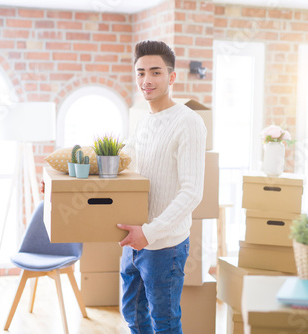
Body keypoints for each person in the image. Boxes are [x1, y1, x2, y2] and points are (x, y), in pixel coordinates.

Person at [117, 40, 207, 334]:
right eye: (140, 73)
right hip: (133, 240)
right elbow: (121, 160)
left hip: (163, 245)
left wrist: (150, 232)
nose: (146, 80)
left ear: (171, 77)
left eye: (155, 72)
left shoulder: (188, 122)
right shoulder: (143, 122)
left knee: (164, 324)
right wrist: (64, 177)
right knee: (133, 316)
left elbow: (192, 191)